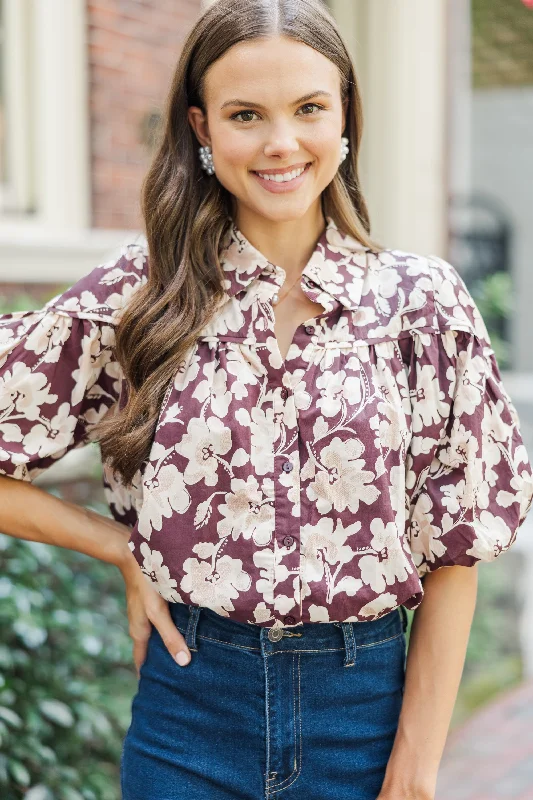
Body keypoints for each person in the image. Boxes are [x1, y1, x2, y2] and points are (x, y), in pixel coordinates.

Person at [1, 1, 532, 798]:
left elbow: (456, 547)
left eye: (309, 108)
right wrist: (121, 548)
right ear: (201, 128)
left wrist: (415, 774)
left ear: (345, 114)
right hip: (189, 709)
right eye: (245, 114)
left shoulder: (421, 303)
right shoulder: (141, 294)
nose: (281, 144)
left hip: (365, 713)